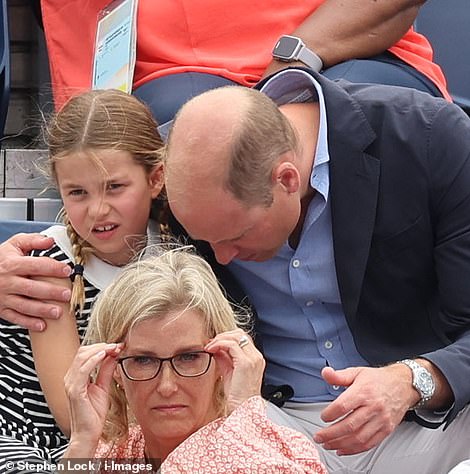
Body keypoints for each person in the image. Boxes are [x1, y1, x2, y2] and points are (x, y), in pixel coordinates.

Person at [162, 69, 470, 473]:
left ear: (286, 179)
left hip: (436, 421)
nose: (221, 258)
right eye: (207, 239)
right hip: (272, 427)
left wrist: (413, 379)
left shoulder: (429, 138)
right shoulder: (186, 164)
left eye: (236, 235)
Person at [0, 89, 165, 470]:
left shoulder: (178, 254)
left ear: (155, 178)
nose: (98, 210)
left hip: (131, 438)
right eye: (77, 192)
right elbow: (71, 417)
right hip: (31, 438)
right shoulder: (50, 265)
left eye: (115, 187)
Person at [60, 248, 327, 473]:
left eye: (188, 357)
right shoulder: (112, 454)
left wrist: (244, 418)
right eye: (143, 360)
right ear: (114, 368)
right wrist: (82, 440)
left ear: (224, 358)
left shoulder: (285, 452)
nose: (167, 386)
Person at [38, 0, 450, 126]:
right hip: (174, 69)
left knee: (366, 114)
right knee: (192, 130)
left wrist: (295, 56)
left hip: (344, 48)